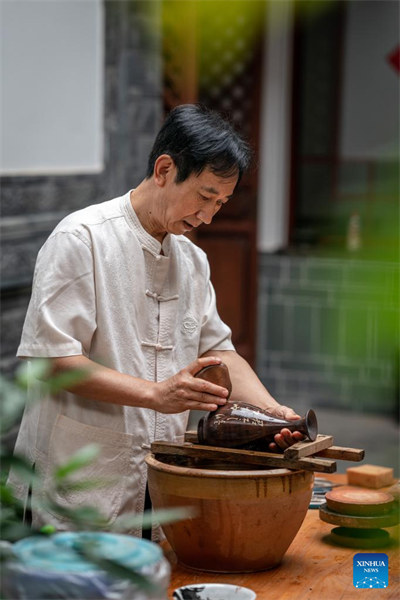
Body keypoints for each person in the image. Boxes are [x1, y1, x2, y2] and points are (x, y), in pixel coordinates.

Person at [9, 104, 303, 537]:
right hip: (79, 476)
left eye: (220, 203)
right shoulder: (82, 238)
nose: (209, 216)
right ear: (164, 169)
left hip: (160, 478)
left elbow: (217, 350)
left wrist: (273, 411)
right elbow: (53, 363)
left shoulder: (193, 260)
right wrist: (155, 393)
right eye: (204, 196)